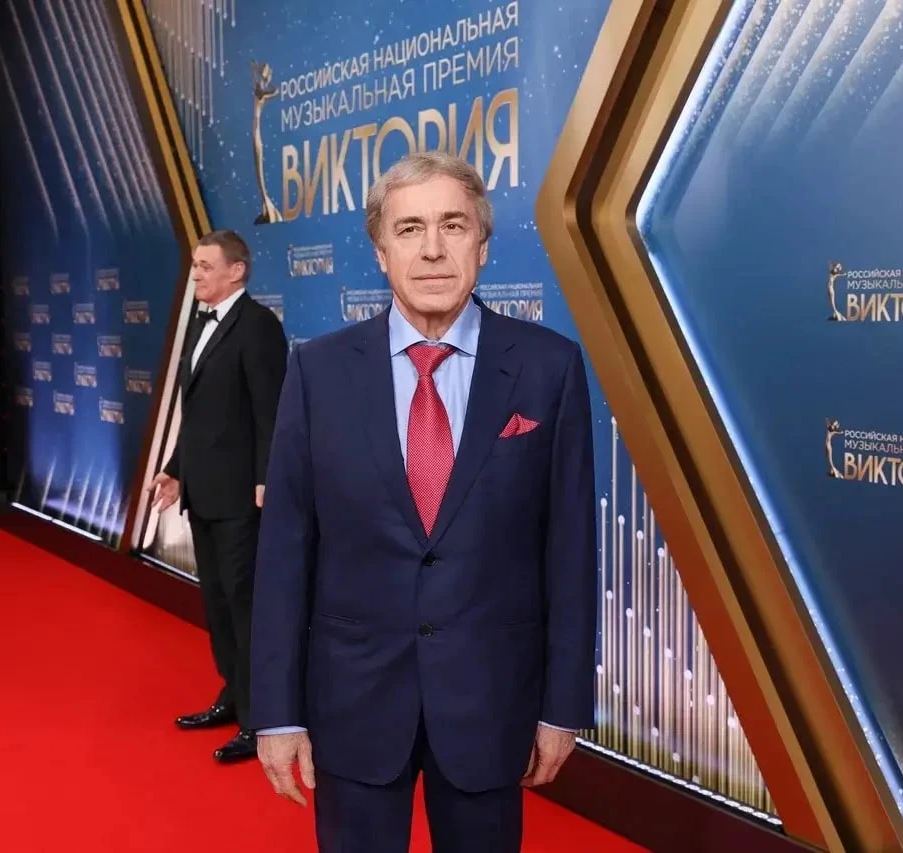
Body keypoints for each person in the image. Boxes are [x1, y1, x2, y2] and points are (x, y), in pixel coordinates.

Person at [250, 151, 597, 851]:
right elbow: (285, 552)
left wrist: (563, 707)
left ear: (483, 244)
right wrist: (278, 713)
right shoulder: (317, 371)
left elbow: (570, 550)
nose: (433, 249)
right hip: (352, 704)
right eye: (409, 229)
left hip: (491, 704)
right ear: (381, 252)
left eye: (453, 225)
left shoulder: (548, 366)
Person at [150, 229, 288, 764]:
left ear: (236, 271)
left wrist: (267, 478)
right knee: (219, 606)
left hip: (242, 500)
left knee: (246, 610)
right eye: (194, 265)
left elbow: (271, 413)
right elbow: (200, 414)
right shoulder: (199, 323)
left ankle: (260, 722)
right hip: (203, 493)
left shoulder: (258, 326)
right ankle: (233, 697)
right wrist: (175, 471)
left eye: (205, 266)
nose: (196, 275)